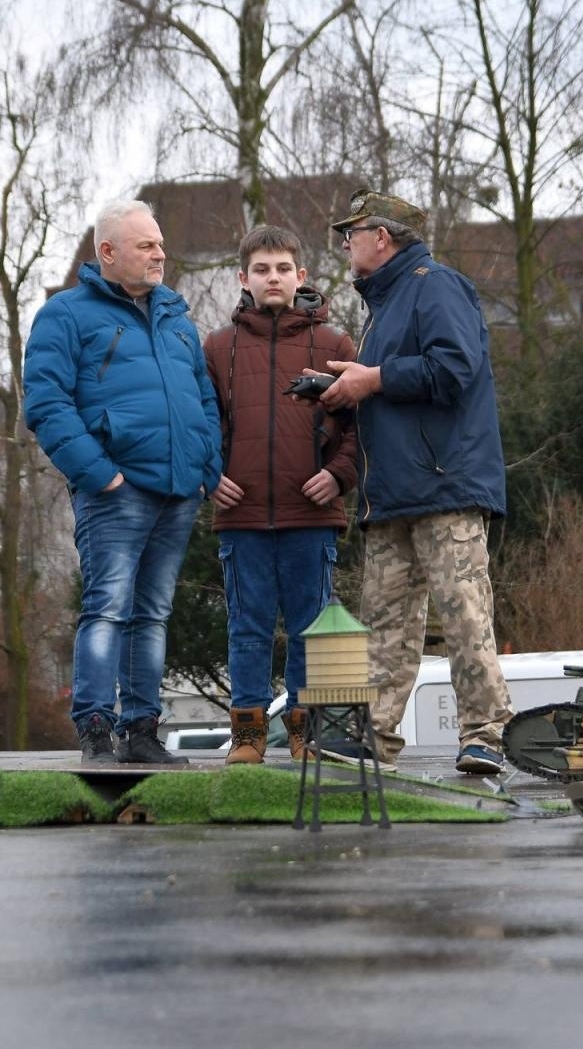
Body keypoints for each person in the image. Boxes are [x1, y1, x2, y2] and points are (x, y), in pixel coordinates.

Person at [315, 188, 513, 775]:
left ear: (381, 237)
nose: (346, 245)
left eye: (352, 234)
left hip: (444, 487)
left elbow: (456, 367)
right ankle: (370, 738)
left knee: (464, 616)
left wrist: (371, 379)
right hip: (394, 494)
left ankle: (485, 735)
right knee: (383, 626)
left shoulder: (435, 284)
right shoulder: (387, 302)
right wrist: (348, 387)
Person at [23, 201, 222, 765]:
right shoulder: (65, 315)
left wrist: (206, 469)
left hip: (179, 491)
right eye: (145, 246)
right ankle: (95, 732)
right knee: (108, 608)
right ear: (107, 252)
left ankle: (141, 733)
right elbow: (46, 402)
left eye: (160, 244)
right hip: (116, 491)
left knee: (152, 614)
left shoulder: (177, 319)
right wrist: (99, 474)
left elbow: (204, 401)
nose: (160, 254)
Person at [203, 225, 358, 764]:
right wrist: (208, 473)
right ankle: (247, 736)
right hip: (240, 516)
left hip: (311, 517)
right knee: (246, 630)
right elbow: (204, 422)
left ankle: (304, 736)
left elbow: (363, 428)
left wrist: (339, 475)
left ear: (301, 276)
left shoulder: (336, 345)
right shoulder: (218, 348)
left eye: (283, 269)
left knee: (311, 632)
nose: (274, 278)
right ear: (243, 278)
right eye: (262, 270)